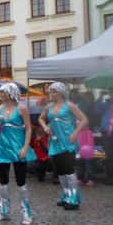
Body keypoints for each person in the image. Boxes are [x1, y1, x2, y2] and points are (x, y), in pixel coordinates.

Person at [0, 83, 36, 225]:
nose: (0, 95)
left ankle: (27, 213)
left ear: (9, 93)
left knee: (21, 181)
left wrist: (25, 147)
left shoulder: (21, 108)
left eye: (2, 93)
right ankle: (4, 211)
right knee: (3, 182)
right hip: (3, 148)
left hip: (18, 148)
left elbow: (28, 129)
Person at [39, 82, 89, 210]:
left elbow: (84, 120)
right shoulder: (49, 106)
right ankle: (66, 195)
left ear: (61, 93)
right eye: (51, 91)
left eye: (54, 91)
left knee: (68, 170)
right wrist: (45, 127)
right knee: (60, 171)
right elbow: (41, 118)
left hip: (68, 141)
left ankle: (74, 199)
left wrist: (75, 133)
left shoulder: (70, 105)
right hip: (55, 141)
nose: (51, 94)